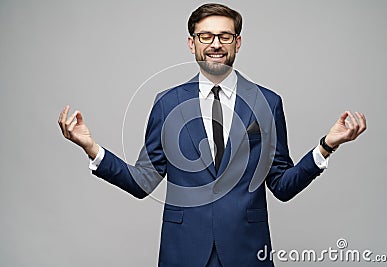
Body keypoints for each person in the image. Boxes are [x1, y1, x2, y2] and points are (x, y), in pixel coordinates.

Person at [58, 3, 366, 267]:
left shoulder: (268, 103)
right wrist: (91, 147)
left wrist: (326, 146)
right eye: (206, 36)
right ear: (192, 44)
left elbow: (282, 185)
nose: (215, 43)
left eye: (224, 36)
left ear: (238, 42)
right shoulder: (167, 103)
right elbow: (143, 182)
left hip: (248, 251)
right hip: (183, 251)